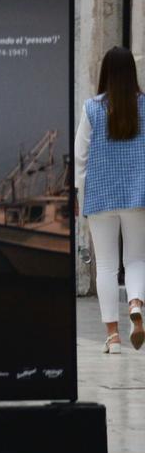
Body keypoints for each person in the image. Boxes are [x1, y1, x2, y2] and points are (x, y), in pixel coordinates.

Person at [78, 45, 145, 351]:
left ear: (105, 72)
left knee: (105, 266)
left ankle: (113, 337)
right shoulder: (144, 105)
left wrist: (81, 192)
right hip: (137, 194)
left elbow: (80, 157)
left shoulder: (91, 108)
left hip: (100, 196)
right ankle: (135, 305)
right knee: (135, 259)